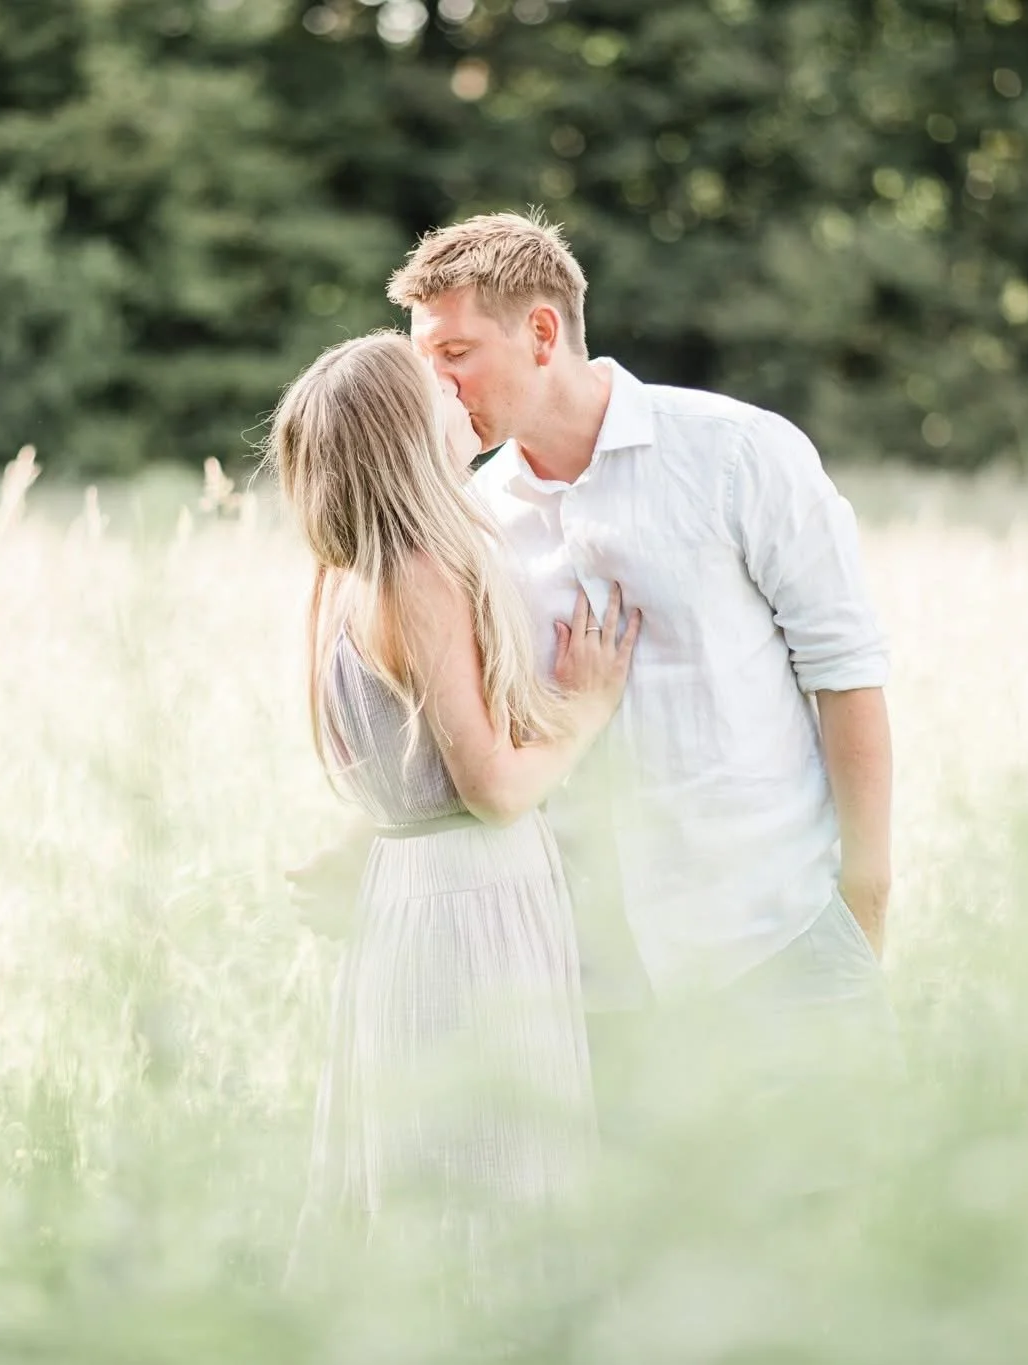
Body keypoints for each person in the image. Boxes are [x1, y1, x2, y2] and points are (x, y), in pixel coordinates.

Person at [299, 210, 898, 1147]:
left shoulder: (738, 454)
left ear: (542, 334)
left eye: (456, 351)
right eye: (424, 361)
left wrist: (862, 902)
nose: (438, 386)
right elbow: (457, 729)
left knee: (840, 1253)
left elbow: (847, 675)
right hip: (585, 987)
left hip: (774, 942)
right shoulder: (465, 521)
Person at [266, 330, 642, 1285]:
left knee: (427, 1182)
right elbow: (492, 787)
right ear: (404, 431)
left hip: (410, 902)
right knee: (494, 1180)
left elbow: (411, 772)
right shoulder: (423, 570)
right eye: (433, 379)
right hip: (475, 905)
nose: (454, 387)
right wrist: (589, 708)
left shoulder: (340, 575)